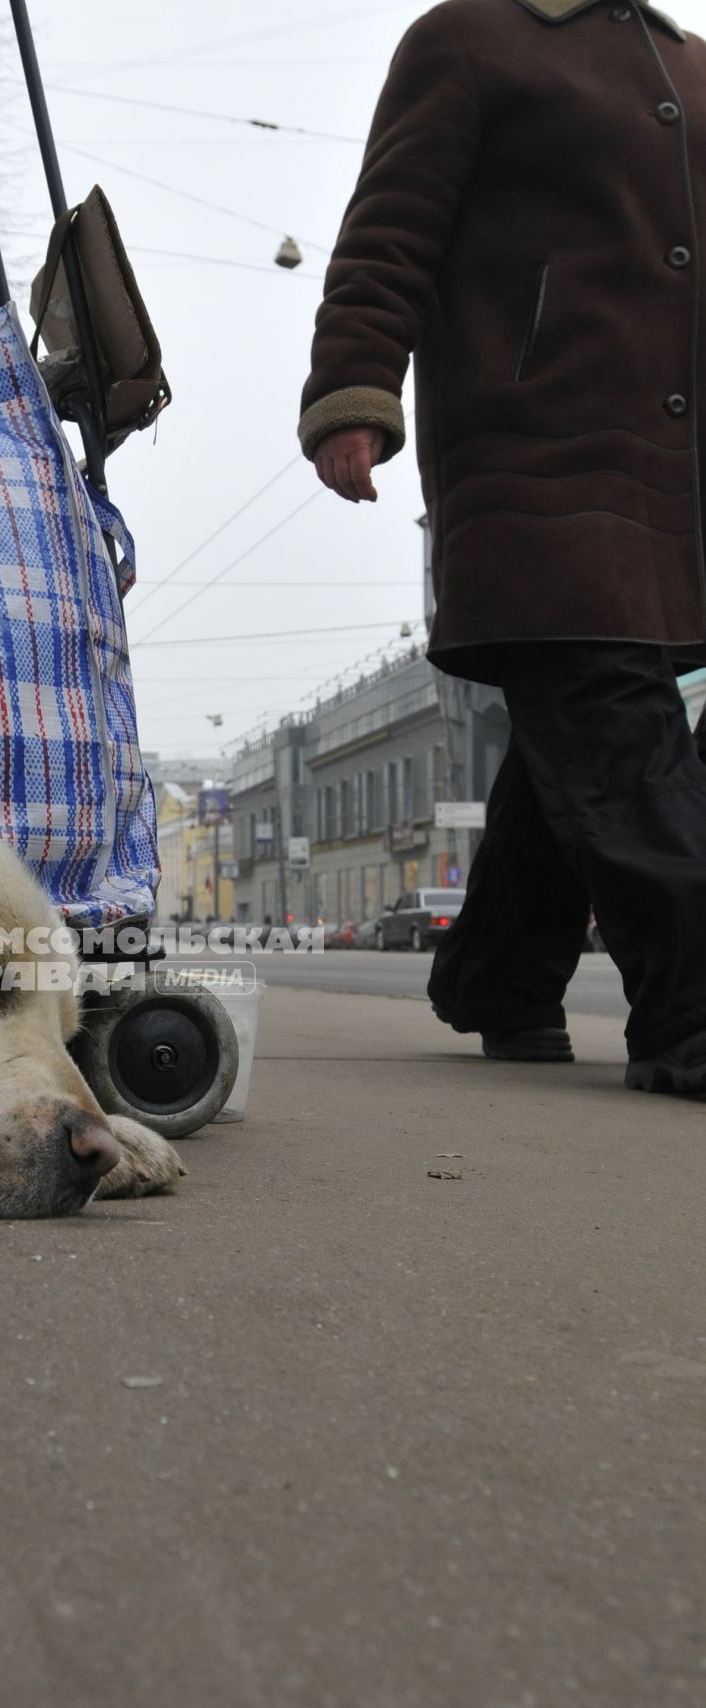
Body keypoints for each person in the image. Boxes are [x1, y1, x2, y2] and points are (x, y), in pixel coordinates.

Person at [300, 0, 706, 1098]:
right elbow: (389, 232)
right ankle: (695, 1016)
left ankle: (499, 978)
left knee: (578, 737)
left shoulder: (691, 66)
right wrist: (353, 388)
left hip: (671, 476)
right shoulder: (471, 38)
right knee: (618, 726)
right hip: (534, 456)